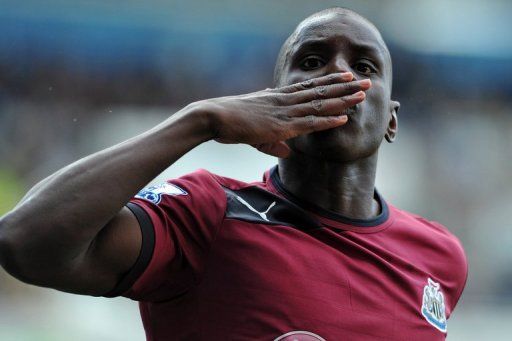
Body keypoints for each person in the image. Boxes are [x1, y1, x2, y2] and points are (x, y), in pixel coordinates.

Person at [0, 7, 467, 341]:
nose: (338, 75)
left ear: (392, 119)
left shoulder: (440, 259)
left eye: (364, 66)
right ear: (271, 99)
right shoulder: (209, 211)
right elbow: (24, 242)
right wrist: (200, 120)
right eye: (311, 61)